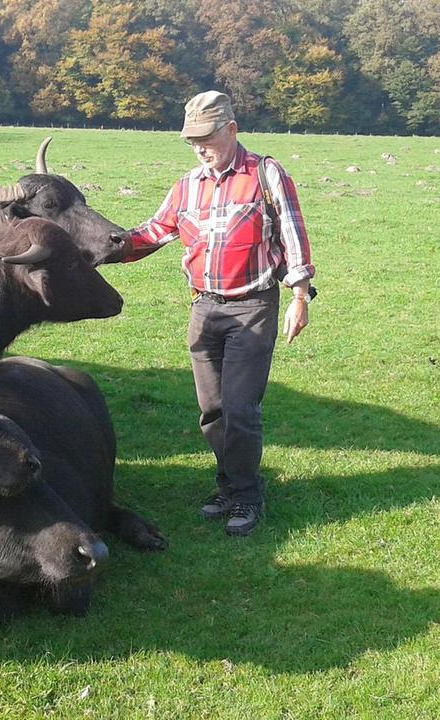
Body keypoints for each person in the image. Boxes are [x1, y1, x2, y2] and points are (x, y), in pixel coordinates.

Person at [120, 90, 315, 537]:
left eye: (206, 138)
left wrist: (300, 298)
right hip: (204, 308)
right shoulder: (187, 185)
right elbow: (155, 231)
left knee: (241, 410)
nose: (199, 148)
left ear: (231, 130)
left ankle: (247, 496)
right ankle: (227, 486)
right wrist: (107, 246)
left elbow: (293, 237)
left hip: (252, 307)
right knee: (212, 410)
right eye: (192, 141)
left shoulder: (265, 174)